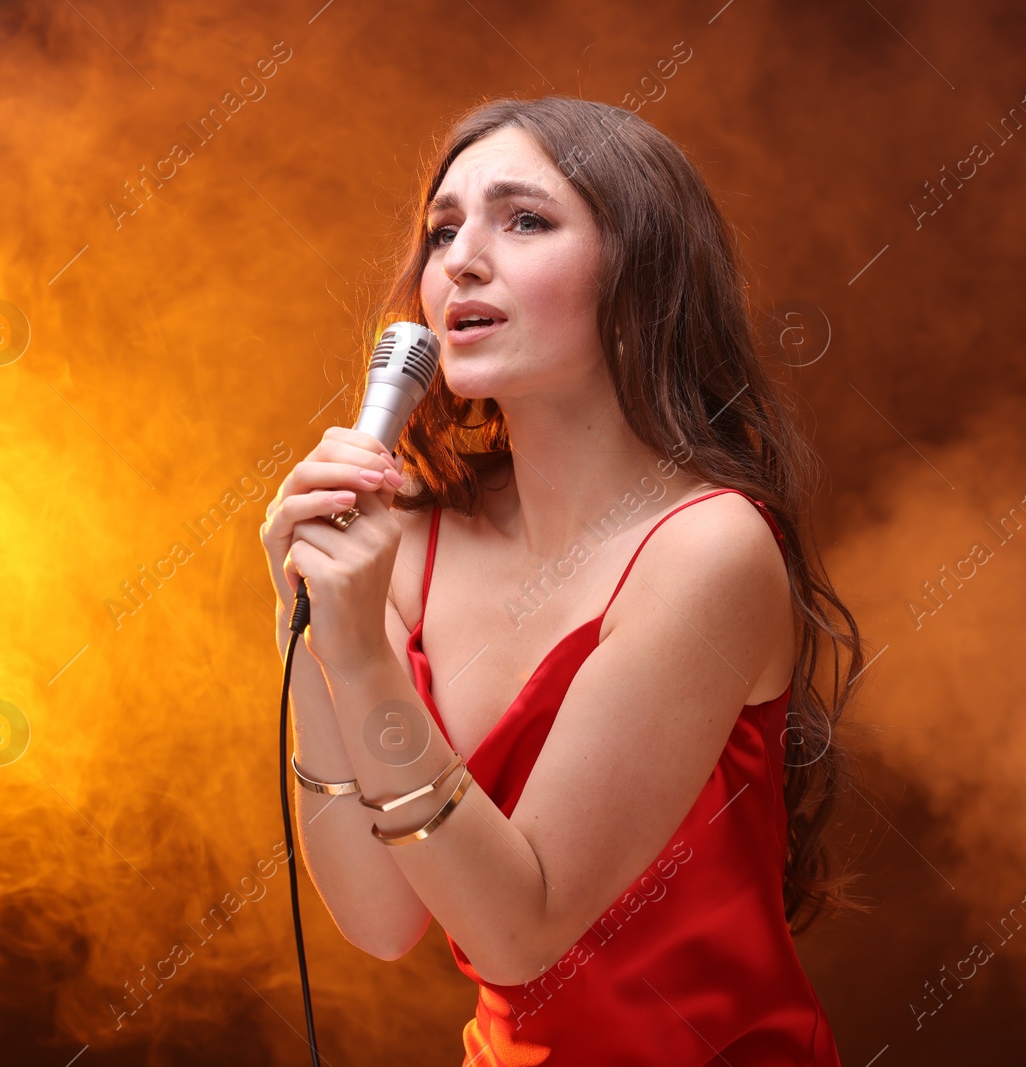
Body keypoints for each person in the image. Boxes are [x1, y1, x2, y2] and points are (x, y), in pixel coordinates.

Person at [259, 95, 870, 1066]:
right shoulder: (409, 540)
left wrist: (362, 660)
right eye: (442, 229)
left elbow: (519, 931)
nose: (458, 258)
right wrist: (315, 621)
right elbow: (378, 917)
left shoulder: (707, 549)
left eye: (525, 219)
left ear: (642, 274)